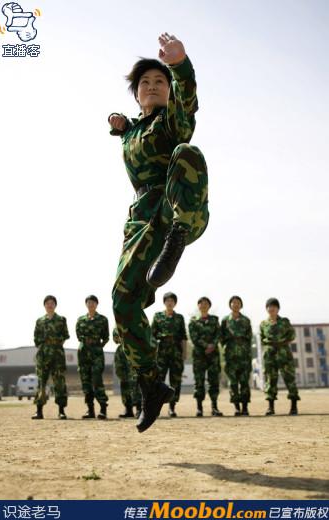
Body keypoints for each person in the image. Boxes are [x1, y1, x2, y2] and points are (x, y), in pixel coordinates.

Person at [109, 32, 209, 432]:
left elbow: (187, 106)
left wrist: (180, 66)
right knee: (123, 302)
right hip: (141, 220)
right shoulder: (133, 131)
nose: (153, 87)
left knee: (188, 152)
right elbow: (133, 131)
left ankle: (177, 240)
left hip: (177, 205)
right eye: (145, 84)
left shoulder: (172, 121)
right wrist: (121, 125)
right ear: (136, 94)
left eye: (160, 82)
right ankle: (152, 386)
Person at [260, 298, 300, 415]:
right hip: (269, 355)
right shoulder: (263, 324)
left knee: (289, 379)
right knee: (270, 380)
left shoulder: (284, 322)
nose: (271, 308)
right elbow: (262, 338)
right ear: (266, 309)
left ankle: (293, 407)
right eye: (269, 306)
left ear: (278, 308)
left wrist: (281, 342)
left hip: (284, 353)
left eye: (274, 306)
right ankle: (270, 408)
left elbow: (292, 335)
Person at [32, 295, 69, 420]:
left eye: (52, 303)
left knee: (59, 383)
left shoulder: (61, 320)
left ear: (55, 305)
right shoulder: (40, 321)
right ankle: (39, 410)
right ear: (44, 305)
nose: (49, 305)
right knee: (41, 382)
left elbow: (65, 336)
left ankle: (61, 410)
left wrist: (55, 345)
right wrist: (44, 346)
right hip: (43, 355)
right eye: (47, 303)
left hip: (57, 355)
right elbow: (36, 338)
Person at [151, 292, 187, 417]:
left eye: (172, 301)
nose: (170, 303)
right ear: (164, 302)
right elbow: (152, 335)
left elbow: (183, 337)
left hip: (176, 353)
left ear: (175, 303)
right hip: (161, 353)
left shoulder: (180, 318)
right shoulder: (157, 316)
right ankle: (157, 407)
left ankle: (172, 407)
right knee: (159, 380)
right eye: (167, 300)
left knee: (175, 380)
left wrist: (184, 353)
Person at [76, 295, 109, 420]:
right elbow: (79, 335)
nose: (91, 305)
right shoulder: (81, 320)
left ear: (97, 304)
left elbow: (106, 337)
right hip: (83, 352)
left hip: (96, 353)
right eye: (89, 302)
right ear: (86, 304)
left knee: (97, 379)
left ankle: (103, 409)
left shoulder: (102, 319)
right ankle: (90, 409)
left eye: (93, 302)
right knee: (85, 381)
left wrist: (98, 346)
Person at [188, 297, 223, 417]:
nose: (203, 305)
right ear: (198, 306)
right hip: (199, 355)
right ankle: (199, 408)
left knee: (214, 381)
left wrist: (212, 345)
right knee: (199, 382)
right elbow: (194, 337)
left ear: (209, 306)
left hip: (213, 355)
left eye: (206, 303)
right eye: (201, 303)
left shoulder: (214, 320)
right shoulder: (193, 321)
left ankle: (214, 407)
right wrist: (206, 345)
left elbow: (219, 333)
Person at [221, 296, 253, 416]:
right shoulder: (225, 320)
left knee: (244, 381)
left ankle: (245, 407)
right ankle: (236, 407)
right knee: (233, 382)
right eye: (233, 303)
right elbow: (222, 337)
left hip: (244, 356)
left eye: (238, 303)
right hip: (230, 356)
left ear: (241, 305)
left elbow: (249, 337)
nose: (235, 304)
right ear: (230, 305)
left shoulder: (246, 320)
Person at [113, 327, 142, 419]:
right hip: (121, 352)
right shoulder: (117, 327)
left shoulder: (134, 324)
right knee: (123, 381)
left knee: (135, 381)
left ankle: (139, 408)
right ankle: (128, 409)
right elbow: (115, 339)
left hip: (133, 351)